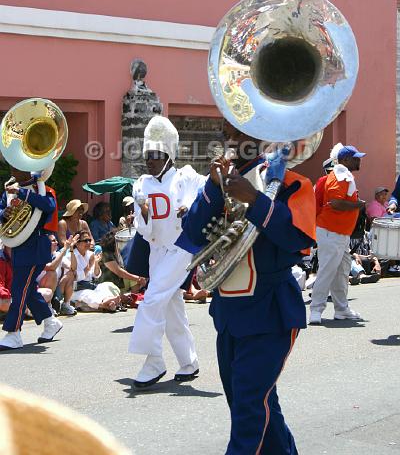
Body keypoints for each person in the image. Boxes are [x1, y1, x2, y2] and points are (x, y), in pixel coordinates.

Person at [176, 119, 316, 455]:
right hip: (228, 313)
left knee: (249, 409)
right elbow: (193, 234)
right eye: (228, 133)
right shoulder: (221, 183)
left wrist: (254, 198)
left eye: (242, 133)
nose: (233, 140)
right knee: (254, 403)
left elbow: (297, 240)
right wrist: (212, 187)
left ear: (264, 136)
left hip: (271, 313)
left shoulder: (293, 184)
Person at [128, 115, 206, 388]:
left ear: (169, 155)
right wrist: (145, 214)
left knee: (151, 299)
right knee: (172, 306)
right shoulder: (141, 184)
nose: (150, 160)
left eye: (156, 155)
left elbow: (205, 191)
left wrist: (189, 206)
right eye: (148, 155)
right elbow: (144, 230)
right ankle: (188, 361)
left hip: (181, 249)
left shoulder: (186, 176)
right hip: (157, 252)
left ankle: (154, 361)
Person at [0, 171, 63, 350]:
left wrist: (23, 193)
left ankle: (13, 333)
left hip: (36, 246)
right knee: (27, 289)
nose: (15, 170)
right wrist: (5, 212)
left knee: (19, 289)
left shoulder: (43, 189)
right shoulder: (9, 190)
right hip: (19, 246)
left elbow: (49, 206)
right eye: (13, 166)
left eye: (19, 167)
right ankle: (51, 322)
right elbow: (1, 211)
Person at [309, 145, 366, 325]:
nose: (359, 160)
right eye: (355, 158)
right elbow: (335, 203)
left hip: (338, 233)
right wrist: (358, 205)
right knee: (327, 270)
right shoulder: (341, 174)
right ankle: (316, 310)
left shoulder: (345, 175)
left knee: (341, 271)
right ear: (346, 160)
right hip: (331, 232)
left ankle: (341, 309)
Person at [69, 231, 121, 312]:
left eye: (89, 240)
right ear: (77, 243)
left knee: (106, 285)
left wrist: (96, 263)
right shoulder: (72, 256)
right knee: (87, 295)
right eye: (85, 240)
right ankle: (106, 305)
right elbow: (78, 277)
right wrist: (89, 265)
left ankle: (108, 302)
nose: (89, 242)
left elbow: (96, 275)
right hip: (77, 289)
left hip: (91, 285)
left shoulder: (90, 254)